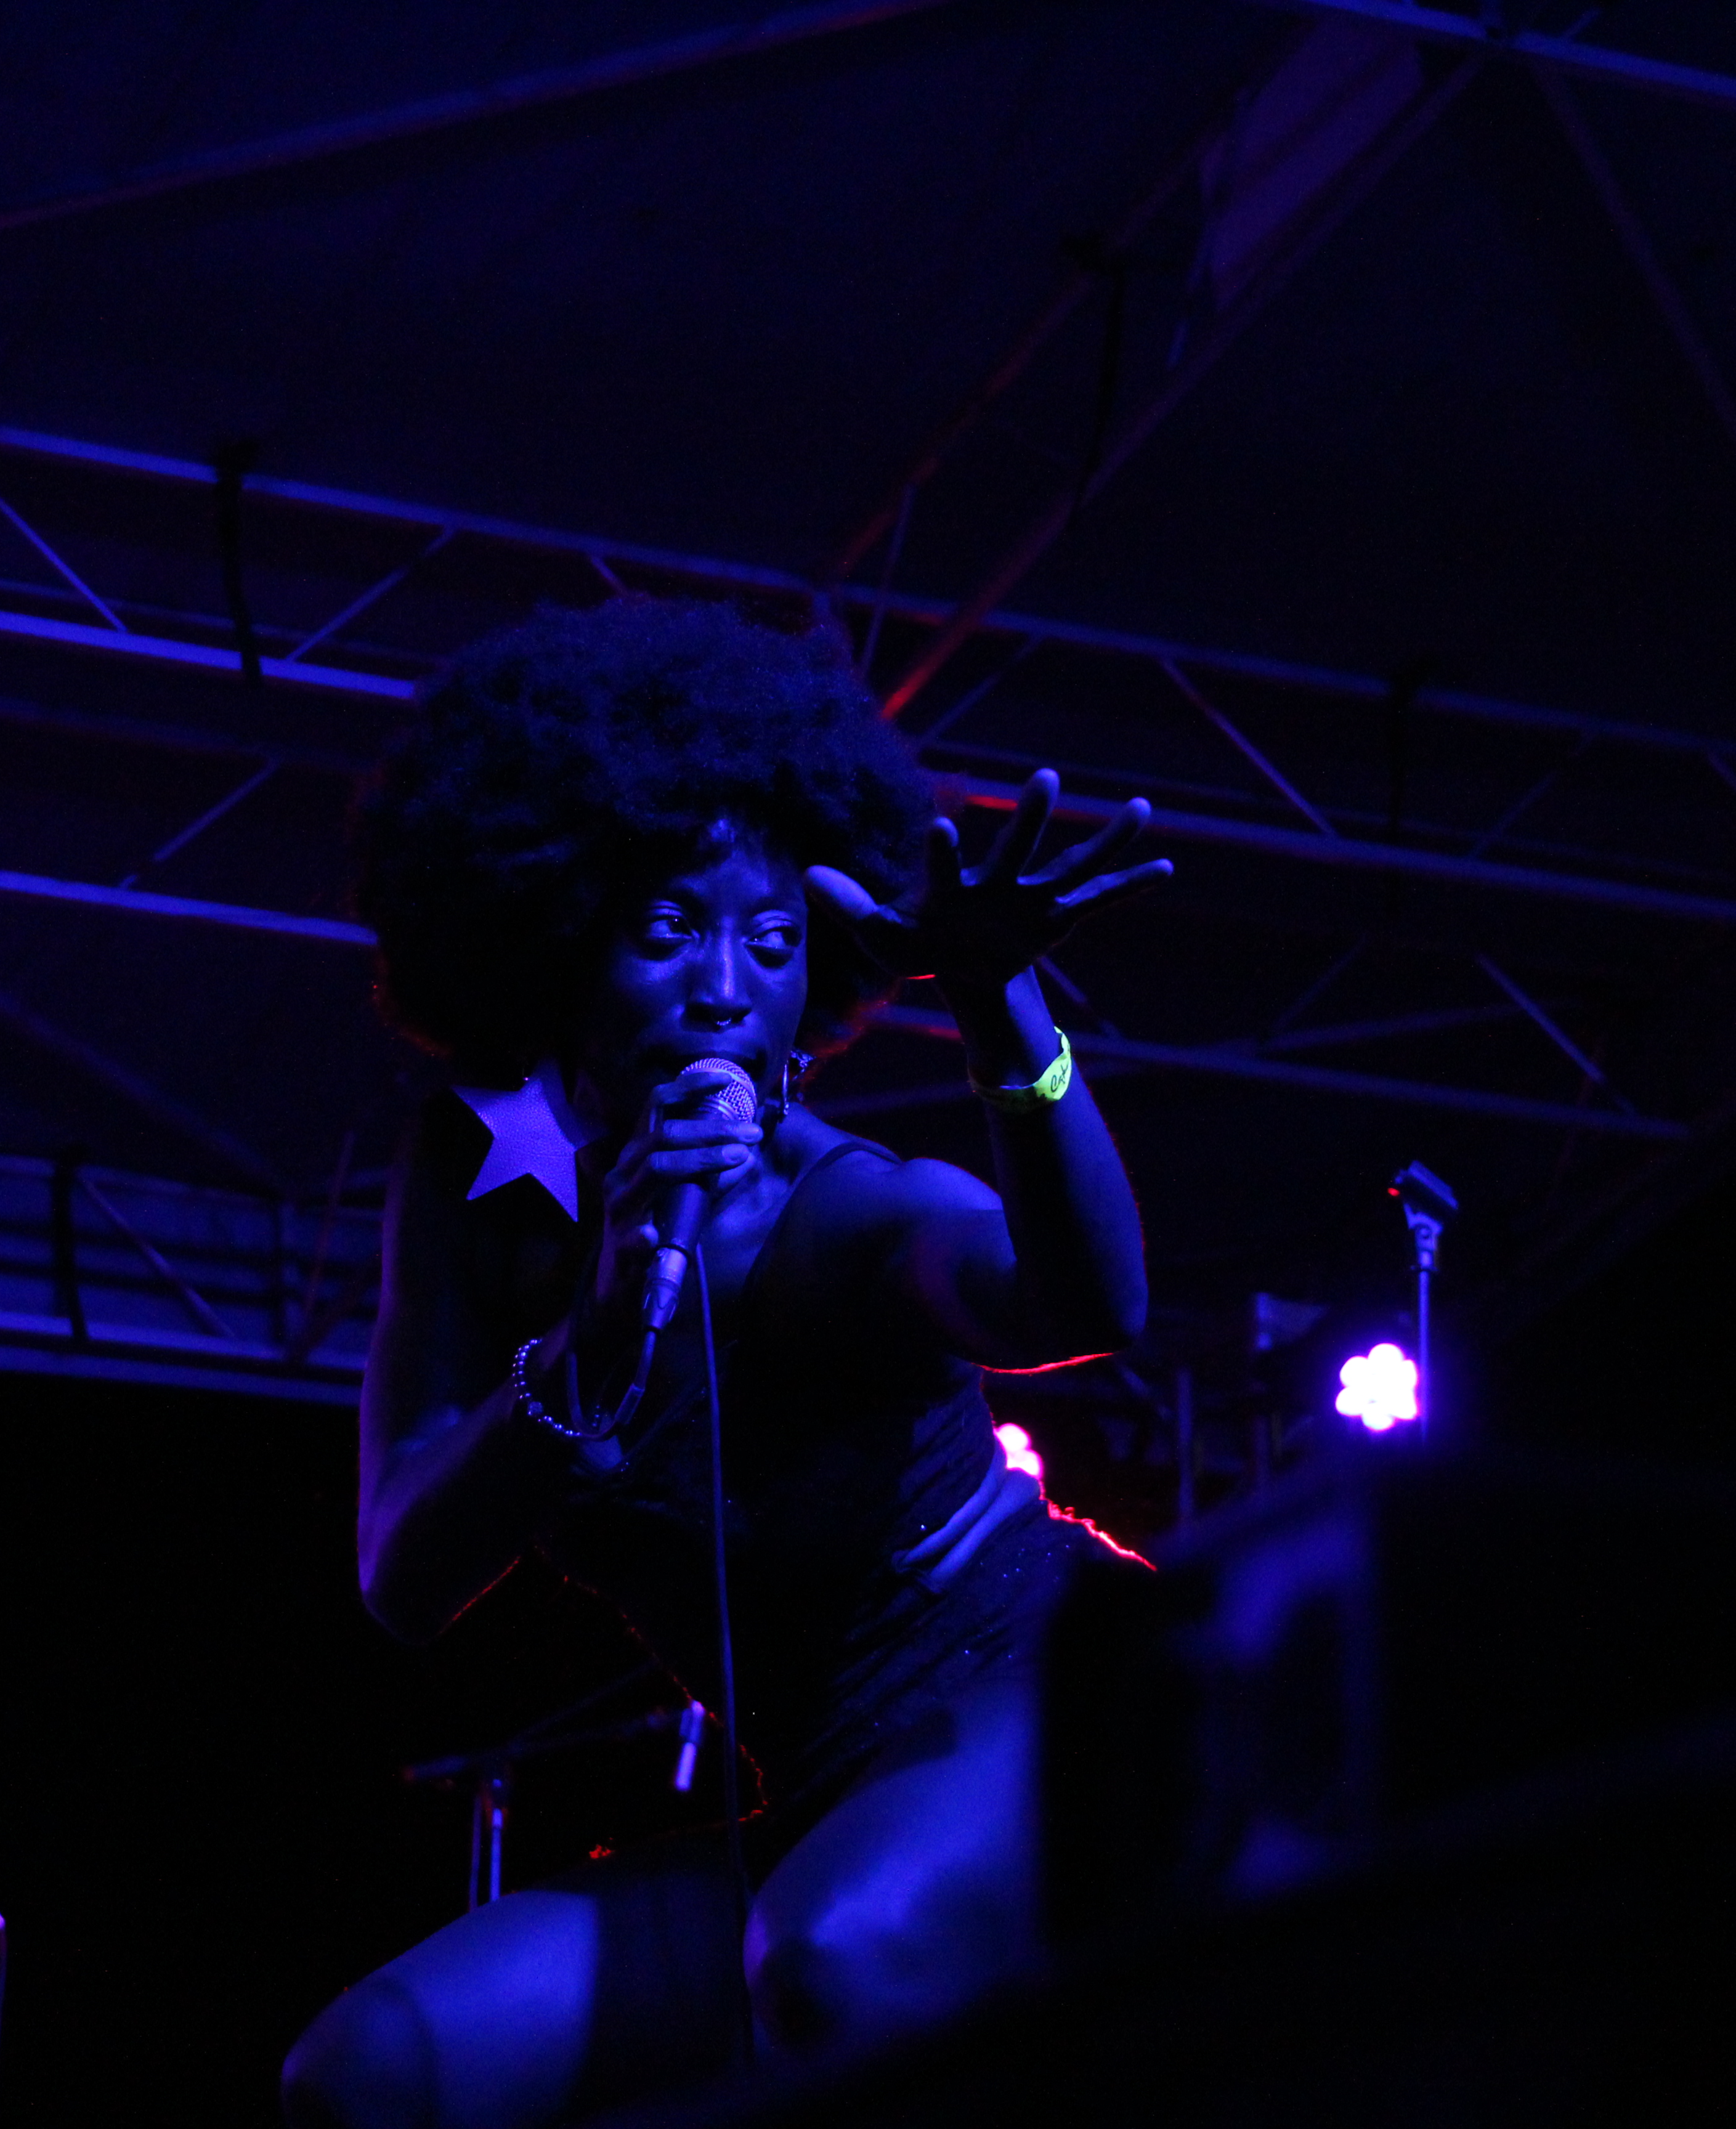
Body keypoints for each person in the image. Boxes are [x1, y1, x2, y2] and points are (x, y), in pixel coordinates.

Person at [283, 601, 1170, 2127]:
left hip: (1057, 1697)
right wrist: (599, 1323)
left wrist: (1002, 1007)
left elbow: (1087, 1301)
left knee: (830, 1958)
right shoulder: (480, 1177)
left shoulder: (838, 1207)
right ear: (556, 939)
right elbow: (401, 1571)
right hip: (817, 1793)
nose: (724, 988)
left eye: (772, 942)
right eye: (667, 932)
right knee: (372, 2069)